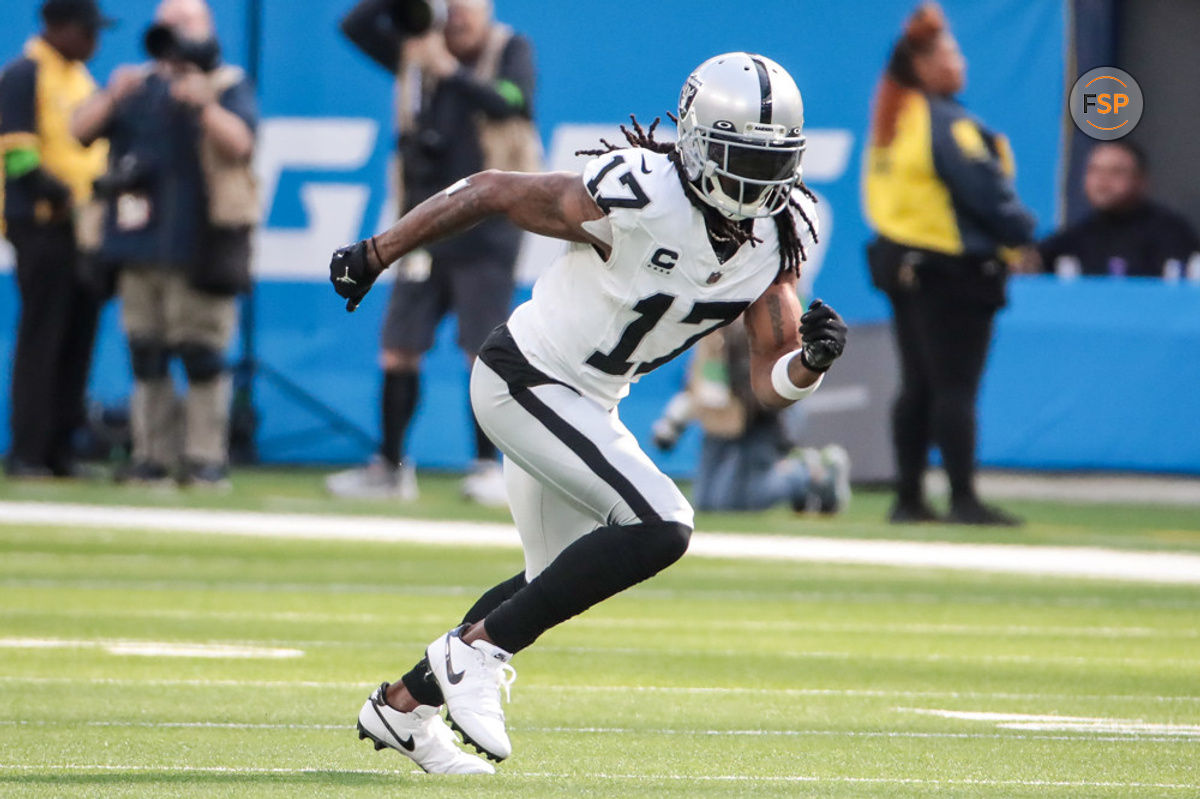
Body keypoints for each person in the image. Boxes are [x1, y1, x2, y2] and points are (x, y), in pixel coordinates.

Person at [329, 52, 847, 774]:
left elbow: (770, 378)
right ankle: (472, 653)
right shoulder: (640, 191)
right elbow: (488, 189)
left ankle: (401, 707)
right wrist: (377, 250)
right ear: (697, 143)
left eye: (772, 162)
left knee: (551, 577)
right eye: (739, 158)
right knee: (665, 523)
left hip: (590, 403)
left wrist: (812, 364)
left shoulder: (775, 236)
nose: (756, 182)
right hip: (525, 376)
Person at [327, 0, 538, 505]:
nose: (458, 18)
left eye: (467, 9)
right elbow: (354, 26)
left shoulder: (508, 49)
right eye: (451, 9)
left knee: (481, 351)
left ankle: (487, 467)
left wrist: (451, 71)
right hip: (421, 226)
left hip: (487, 230)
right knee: (399, 346)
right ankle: (391, 466)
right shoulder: (416, 48)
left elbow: (510, 100)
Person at [71, 0, 258, 487]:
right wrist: (113, 97)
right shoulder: (138, 85)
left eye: (183, 28)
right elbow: (80, 132)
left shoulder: (226, 84)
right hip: (138, 243)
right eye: (165, 28)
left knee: (201, 354)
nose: (172, 39)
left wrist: (203, 104)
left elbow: (241, 144)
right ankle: (151, 455)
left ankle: (203, 458)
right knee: (145, 352)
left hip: (203, 245)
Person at [863, 3, 1035, 526]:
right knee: (956, 387)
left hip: (903, 263)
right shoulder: (948, 123)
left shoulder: (894, 118)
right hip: (952, 270)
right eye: (949, 52)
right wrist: (1026, 236)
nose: (959, 62)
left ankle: (909, 497)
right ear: (922, 63)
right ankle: (964, 498)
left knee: (918, 385)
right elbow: (984, 191)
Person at [1, 0, 112, 478]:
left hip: (83, 230)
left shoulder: (79, 78)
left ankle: (61, 449)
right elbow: (16, 158)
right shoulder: (25, 73)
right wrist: (64, 193)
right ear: (59, 27)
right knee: (43, 336)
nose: (94, 41)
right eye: (87, 30)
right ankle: (28, 451)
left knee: (78, 336)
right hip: (43, 225)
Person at [651, 319, 850, 514]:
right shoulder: (710, 333)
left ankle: (810, 474)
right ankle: (800, 480)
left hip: (760, 422)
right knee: (707, 502)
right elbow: (698, 384)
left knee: (743, 500)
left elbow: (764, 388)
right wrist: (674, 421)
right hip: (721, 426)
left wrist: (735, 408)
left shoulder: (751, 326)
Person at [1035, 140, 1200, 279]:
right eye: (1095, 170)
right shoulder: (1076, 236)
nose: (1102, 181)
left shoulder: (1171, 233)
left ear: (1141, 181)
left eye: (1116, 172)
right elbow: (1034, 262)